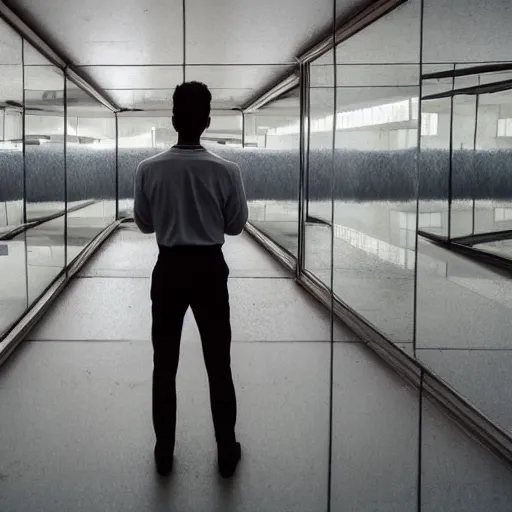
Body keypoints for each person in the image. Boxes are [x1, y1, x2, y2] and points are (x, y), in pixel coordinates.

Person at [133, 81, 248, 478]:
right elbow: (235, 226)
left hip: (168, 271)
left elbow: (145, 225)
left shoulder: (148, 169)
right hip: (210, 271)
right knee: (219, 363)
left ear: (173, 120)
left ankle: (164, 452)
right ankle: (226, 451)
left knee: (164, 363)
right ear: (208, 121)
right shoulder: (227, 171)